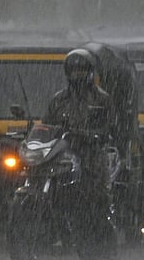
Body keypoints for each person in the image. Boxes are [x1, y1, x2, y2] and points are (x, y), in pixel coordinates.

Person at [42, 48, 117, 197]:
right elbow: (46, 124)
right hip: (63, 151)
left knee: (96, 187)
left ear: (90, 72)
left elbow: (110, 125)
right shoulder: (59, 99)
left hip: (90, 151)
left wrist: (94, 135)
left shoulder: (101, 99)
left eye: (81, 71)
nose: (77, 75)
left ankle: (99, 211)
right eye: (74, 71)